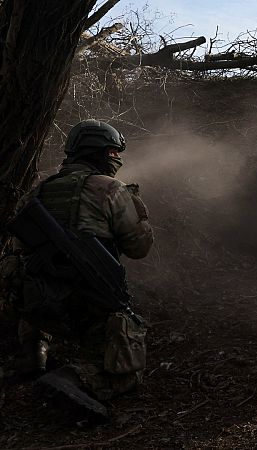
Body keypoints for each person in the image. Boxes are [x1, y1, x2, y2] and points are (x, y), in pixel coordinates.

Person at [8, 119, 154, 420]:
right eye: (113, 152)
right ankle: (74, 379)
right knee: (129, 364)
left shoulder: (37, 193)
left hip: (36, 305)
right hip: (84, 307)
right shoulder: (111, 189)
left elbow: (17, 252)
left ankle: (32, 356)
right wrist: (138, 209)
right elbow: (139, 248)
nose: (117, 158)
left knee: (33, 276)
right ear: (98, 152)